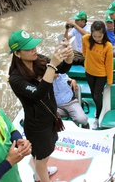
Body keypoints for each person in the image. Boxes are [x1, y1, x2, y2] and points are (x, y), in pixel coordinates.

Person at [8, 30, 74, 182]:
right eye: (29, 48)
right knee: (41, 157)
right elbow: (38, 94)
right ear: (17, 53)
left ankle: (40, 171)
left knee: (46, 152)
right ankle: (42, 176)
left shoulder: (40, 60)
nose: (34, 50)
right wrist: (51, 66)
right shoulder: (15, 78)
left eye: (34, 46)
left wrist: (69, 57)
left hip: (50, 117)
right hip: (37, 126)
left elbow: (62, 69)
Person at [82, 21, 113, 130]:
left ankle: (98, 116)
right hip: (89, 72)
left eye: (99, 36)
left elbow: (109, 64)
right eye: (94, 36)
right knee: (93, 94)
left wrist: (109, 81)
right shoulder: (86, 38)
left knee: (96, 95)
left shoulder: (108, 46)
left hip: (101, 74)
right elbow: (84, 52)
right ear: (91, 34)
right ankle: (99, 107)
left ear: (104, 33)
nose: (97, 38)